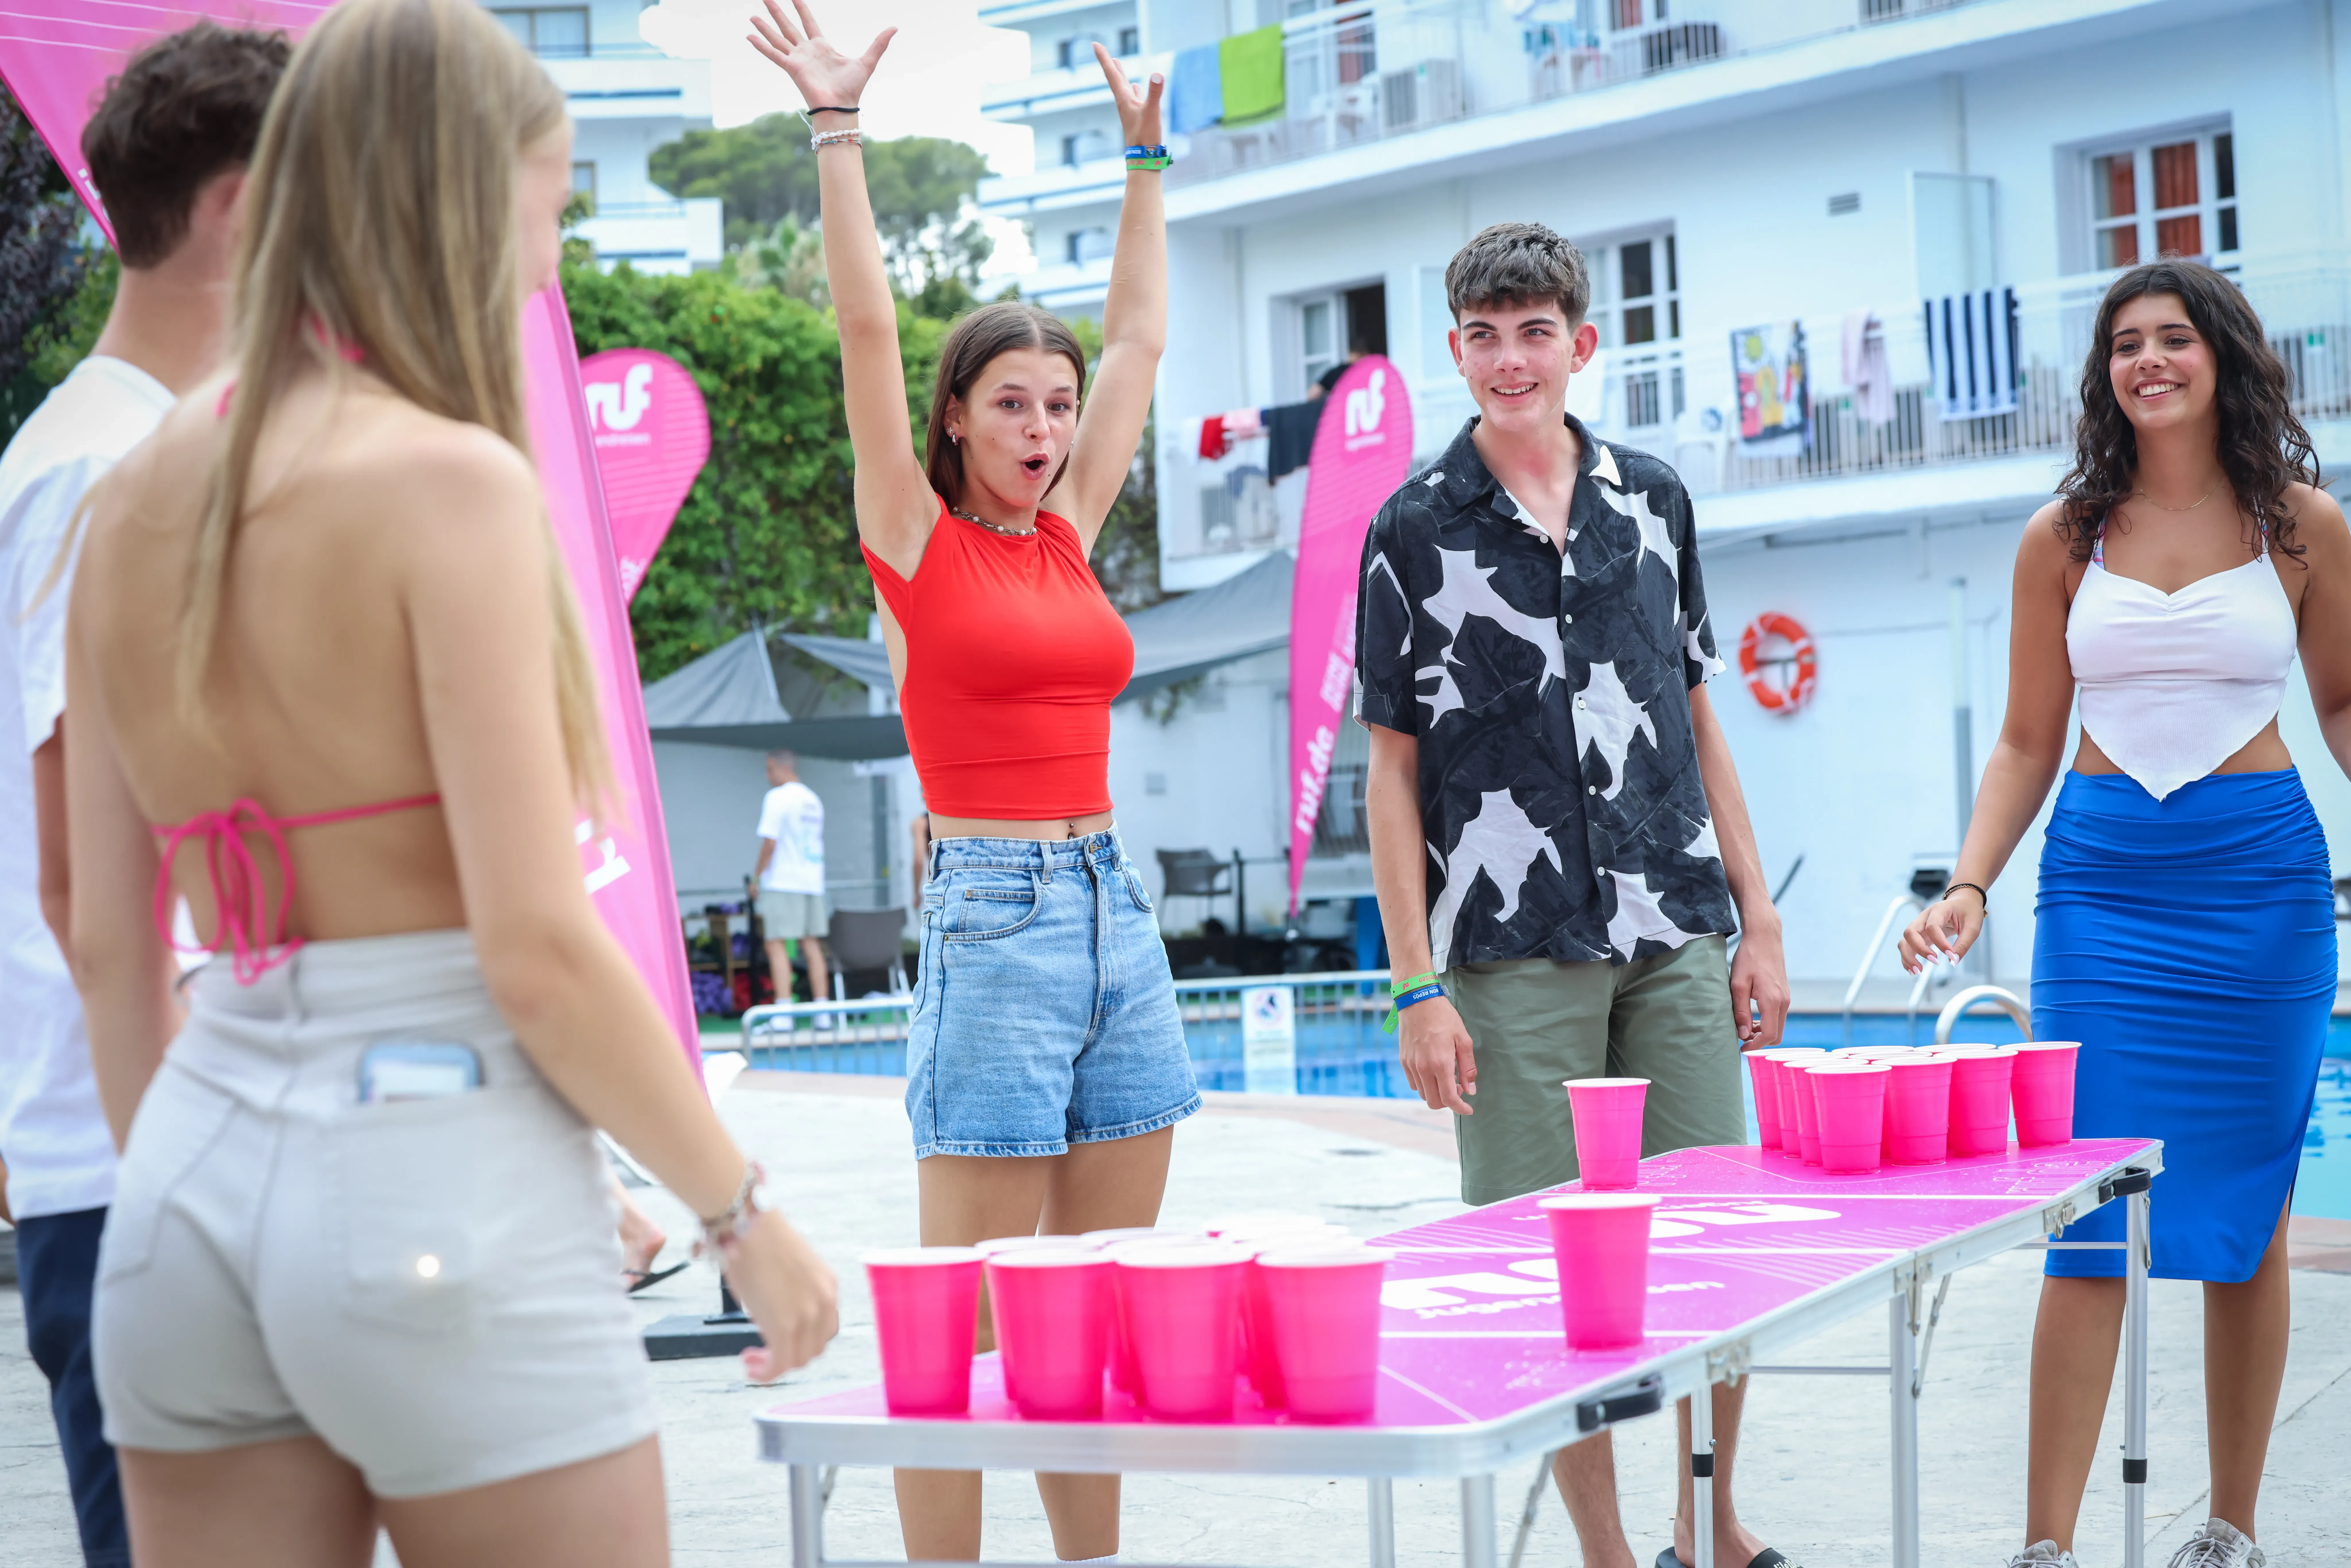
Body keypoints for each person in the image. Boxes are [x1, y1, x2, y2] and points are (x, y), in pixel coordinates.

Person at [62, 4, 836, 1563]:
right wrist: (744, 1220)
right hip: (435, 1167)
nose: (546, 264)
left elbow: (98, 927)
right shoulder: (448, 481)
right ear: (454, 200)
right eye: (547, 211)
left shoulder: (128, 494)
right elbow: (537, 952)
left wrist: (202, 1196)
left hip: (186, 1187)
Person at [746, 4, 1192, 1561]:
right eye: (1014, 402)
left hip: (1112, 916)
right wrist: (837, 128)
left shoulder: (1070, 528)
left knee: (1094, 1304)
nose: (1047, 424)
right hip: (995, 917)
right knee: (972, 1324)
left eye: (1058, 406)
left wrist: (1143, 156)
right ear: (956, 415)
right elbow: (868, 333)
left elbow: (1135, 338)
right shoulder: (915, 544)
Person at [1357, 222, 1793, 1568]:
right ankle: (1607, 1555)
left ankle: (1707, 1525)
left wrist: (1757, 915)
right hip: (1508, 950)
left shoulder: (1655, 499)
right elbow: (1389, 774)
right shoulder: (1413, 529)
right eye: (1482, 335)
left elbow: (1699, 711)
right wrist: (1415, 981)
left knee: (1711, 1243)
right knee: (1549, 1275)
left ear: (1582, 343)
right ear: (1455, 351)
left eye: (1534, 330)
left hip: (1675, 927)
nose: (1509, 358)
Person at [1900, 259, 2342, 1568]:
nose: (2148, 360)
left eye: (2173, 338)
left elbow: (2347, 707)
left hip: (2260, 892)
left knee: (2248, 1218)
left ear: (2222, 356)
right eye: (2125, 344)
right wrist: (1969, 878)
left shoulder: (2303, 524)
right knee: (2087, 1216)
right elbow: (2028, 740)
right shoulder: (2063, 535)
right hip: (2101, 892)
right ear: (2106, 374)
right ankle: (2046, 1546)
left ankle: (2232, 1525)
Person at [0, 25, 290, 1568]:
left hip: (149, 1155)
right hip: (150, 1169)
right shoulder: (110, 469)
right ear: (244, 211)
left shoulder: (115, 451)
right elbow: (92, 886)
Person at [753, 748, 829, 1008]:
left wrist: (756, 878)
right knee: (811, 944)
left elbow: (770, 843)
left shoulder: (777, 797)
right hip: (812, 880)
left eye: (768, 770)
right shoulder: (813, 799)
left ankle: (784, 1012)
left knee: (775, 944)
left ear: (776, 766)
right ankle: (822, 1010)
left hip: (784, 880)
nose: (767, 776)